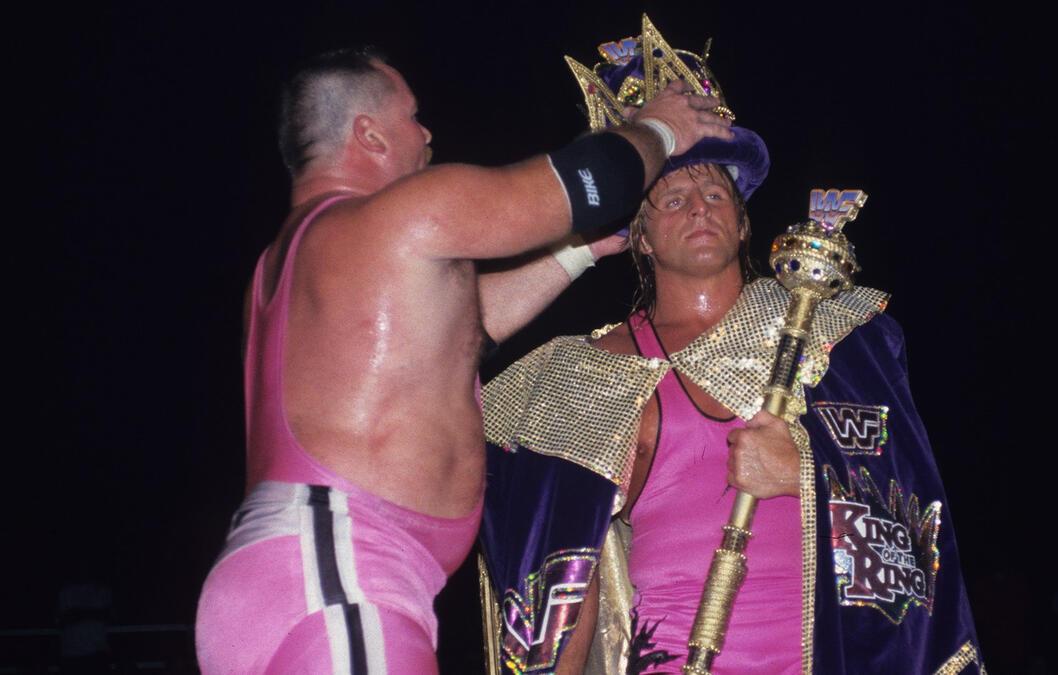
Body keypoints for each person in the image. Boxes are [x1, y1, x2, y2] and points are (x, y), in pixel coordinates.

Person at [195, 44, 734, 673]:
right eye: (412, 115)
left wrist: (580, 253)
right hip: (342, 572)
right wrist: (662, 127)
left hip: (292, 579)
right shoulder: (400, 212)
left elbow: (460, 330)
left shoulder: (295, 261)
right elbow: (592, 183)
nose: (427, 134)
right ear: (368, 134)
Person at [479, 17, 985, 674]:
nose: (699, 207)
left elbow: (919, 531)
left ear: (744, 221)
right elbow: (561, 584)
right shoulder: (585, 371)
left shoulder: (837, 335)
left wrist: (806, 478)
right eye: (673, 197)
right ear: (637, 235)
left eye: (716, 191)